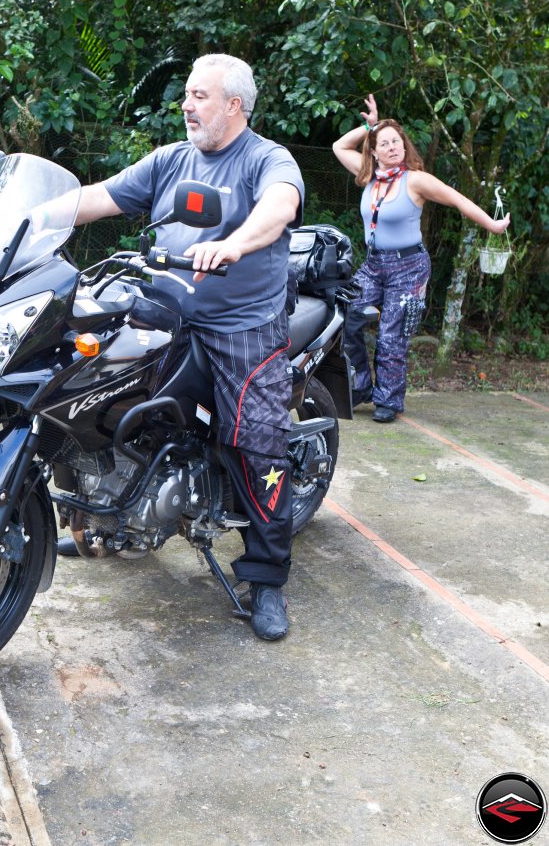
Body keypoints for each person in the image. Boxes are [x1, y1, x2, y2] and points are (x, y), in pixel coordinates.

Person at [53, 54, 304, 641]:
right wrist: (26, 217)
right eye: (187, 95)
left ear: (234, 105)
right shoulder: (171, 159)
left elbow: (280, 206)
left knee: (257, 440)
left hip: (239, 325)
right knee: (79, 393)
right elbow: (98, 198)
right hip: (162, 310)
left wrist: (236, 244)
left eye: (199, 95)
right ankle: (101, 519)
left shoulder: (266, 159)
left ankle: (266, 578)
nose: (187, 105)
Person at [332, 94, 511, 424]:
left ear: (404, 145)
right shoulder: (368, 174)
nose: (391, 147)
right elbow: (339, 147)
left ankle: (388, 399)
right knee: (347, 315)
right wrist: (369, 126)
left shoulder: (414, 179)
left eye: (396, 141)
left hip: (409, 266)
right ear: (373, 150)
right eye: (383, 143)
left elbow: (458, 200)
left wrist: (492, 224)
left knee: (391, 334)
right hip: (374, 264)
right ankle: (360, 386)